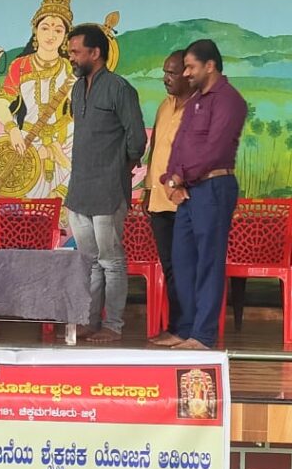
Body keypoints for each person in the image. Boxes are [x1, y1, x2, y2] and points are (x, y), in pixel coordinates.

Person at [163, 39, 248, 350]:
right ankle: (184, 329)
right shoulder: (196, 100)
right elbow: (179, 145)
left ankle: (203, 335)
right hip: (187, 189)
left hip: (213, 187)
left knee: (208, 261)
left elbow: (216, 149)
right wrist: (170, 180)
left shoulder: (229, 100)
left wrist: (179, 178)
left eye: (191, 67)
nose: (186, 73)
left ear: (210, 66)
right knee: (182, 261)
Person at [65, 23, 147, 343]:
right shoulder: (77, 89)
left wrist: (119, 172)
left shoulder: (119, 88)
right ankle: (90, 321)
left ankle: (113, 325)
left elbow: (136, 139)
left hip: (108, 190)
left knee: (110, 261)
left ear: (95, 53)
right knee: (89, 262)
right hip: (79, 190)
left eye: (76, 52)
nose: (71, 57)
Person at [0, 0, 78, 204]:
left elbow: (79, 110)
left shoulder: (71, 69)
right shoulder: (20, 66)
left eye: (58, 30)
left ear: (65, 36)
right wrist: (12, 130)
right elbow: (2, 103)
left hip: (63, 141)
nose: (51, 35)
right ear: (35, 30)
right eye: (45, 27)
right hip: (26, 138)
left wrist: (57, 150)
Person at [145, 51, 195, 347]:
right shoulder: (165, 106)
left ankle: (185, 330)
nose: (166, 78)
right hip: (159, 201)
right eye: (164, 72)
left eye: (172, 73)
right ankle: (178, 327)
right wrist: (148, 189)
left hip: (186, 202)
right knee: (171, 267)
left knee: (185, 268)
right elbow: (155, 149)